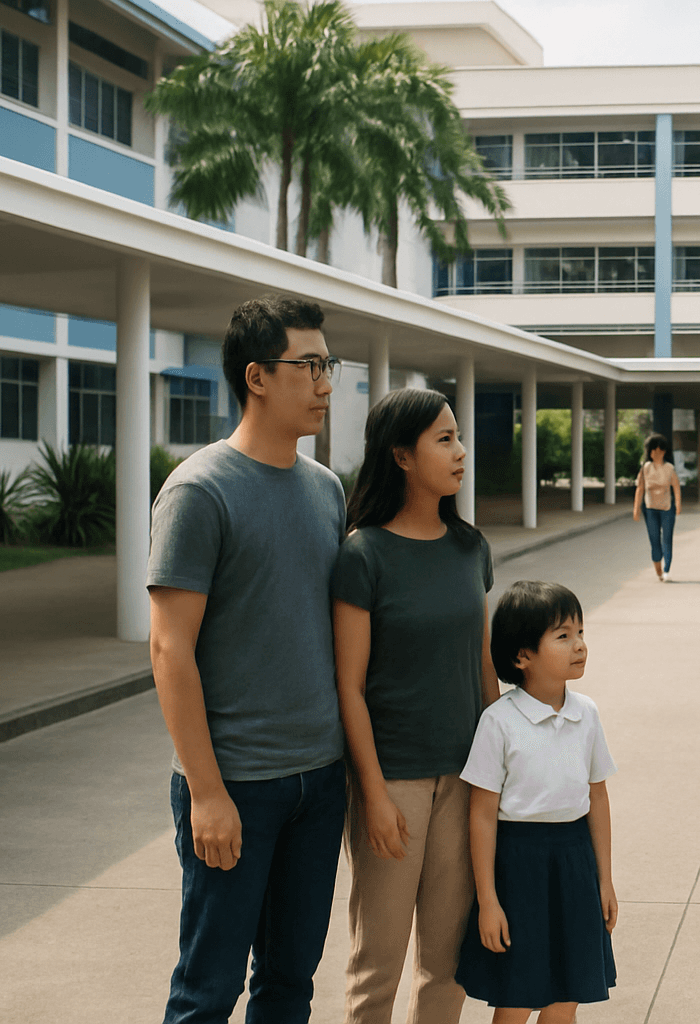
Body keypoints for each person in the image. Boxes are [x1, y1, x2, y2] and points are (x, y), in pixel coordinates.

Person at [148, 296, 348, 1022]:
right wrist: (206, 792)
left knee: (290, 982)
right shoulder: (200, 491)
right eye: (311, 365)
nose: (326, 382)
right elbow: (170, 649)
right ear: (258, 377)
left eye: (331, 365)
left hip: (320, 783)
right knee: (208, 991)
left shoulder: (325, 490)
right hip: (235, 785)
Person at [332, 389, 501, 1023]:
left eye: (458, 437)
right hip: (393, 783)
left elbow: (484, 668)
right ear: (402, 454)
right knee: (377, 961)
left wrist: (501, 773)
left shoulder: (469, 548)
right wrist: (371, 794)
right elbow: (349, 685)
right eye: (444, 440)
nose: (460, 453)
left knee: (448, 963)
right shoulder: (363, 554)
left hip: (465, 781)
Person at [456, 581, 618, 1022]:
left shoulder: (587, 713)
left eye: (581, 632)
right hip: (519, 869)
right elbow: (483, 814)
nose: (580, 645)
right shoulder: (499, 722)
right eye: (563, 636)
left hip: (574, 863)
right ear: (521, 656)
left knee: (569, 995)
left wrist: (604, 879)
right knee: (518, 996)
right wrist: (488, 900)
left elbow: (597, 797)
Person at [633, 433, 681, 582]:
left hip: (667, 508)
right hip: (650, 508)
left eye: (658, 450)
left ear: (664, 451)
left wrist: (678, 504)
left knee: (667, 538)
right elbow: (640, 488)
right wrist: (636, 508)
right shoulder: (645, 468)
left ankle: (666, 569)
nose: (655, 453)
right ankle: (658, 570)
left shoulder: (669, 468)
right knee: (654, 539)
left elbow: (676, 487)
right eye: (653, 450)